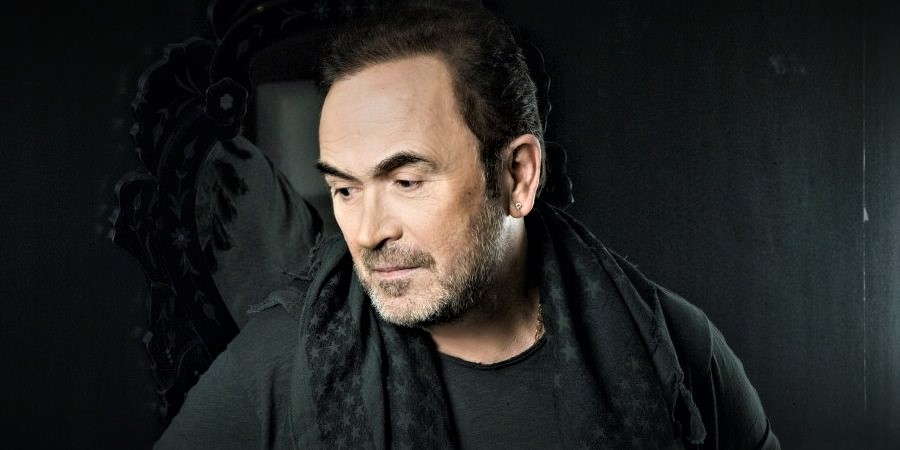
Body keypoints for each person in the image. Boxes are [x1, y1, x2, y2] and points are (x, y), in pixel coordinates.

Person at [155, 2, 780, 448]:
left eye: (406, 182)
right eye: (345, 189)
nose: (367, 233)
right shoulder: (281, 360)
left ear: (517, 176)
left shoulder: (673, 344)